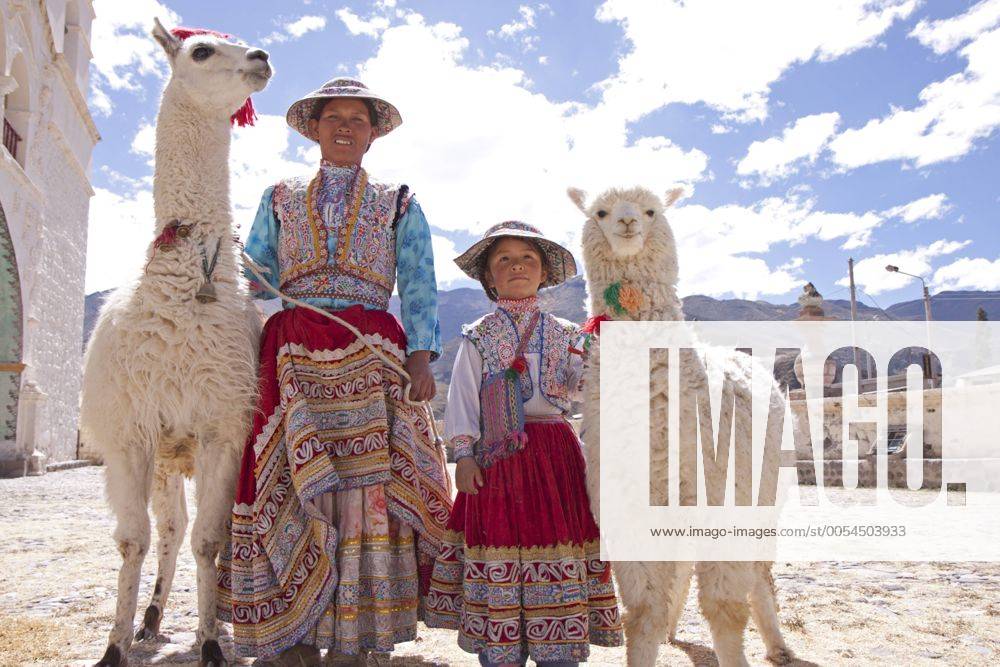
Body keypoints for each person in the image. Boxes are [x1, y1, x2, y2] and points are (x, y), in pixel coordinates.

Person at [216, 78, 453, 667]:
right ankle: (290, 631)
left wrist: (421, 355)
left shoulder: (400, 201)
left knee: (367, 486)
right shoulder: (278, 196)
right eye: (334, 118)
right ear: (314, 129)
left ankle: (358, 629)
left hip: (371, 351)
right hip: (291, 349)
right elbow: (257, 273)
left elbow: (419, 281)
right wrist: (220, 256)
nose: (345, 127)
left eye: (358, 120)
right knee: (285, 480)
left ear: (372, 136)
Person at [424, 222, 623, 666]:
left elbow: (575, 390)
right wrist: (464, 454)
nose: (517, 266)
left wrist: (596, 357)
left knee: (561, 544)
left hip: (556, 458)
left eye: (527, 258)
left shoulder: (568, 333)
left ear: (544, 271)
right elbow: (462, 398)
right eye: (504, 259)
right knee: (499, 545)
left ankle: (558, 652)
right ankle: (502, 651)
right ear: (489, 277)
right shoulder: (478, 335)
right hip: (497, 459)